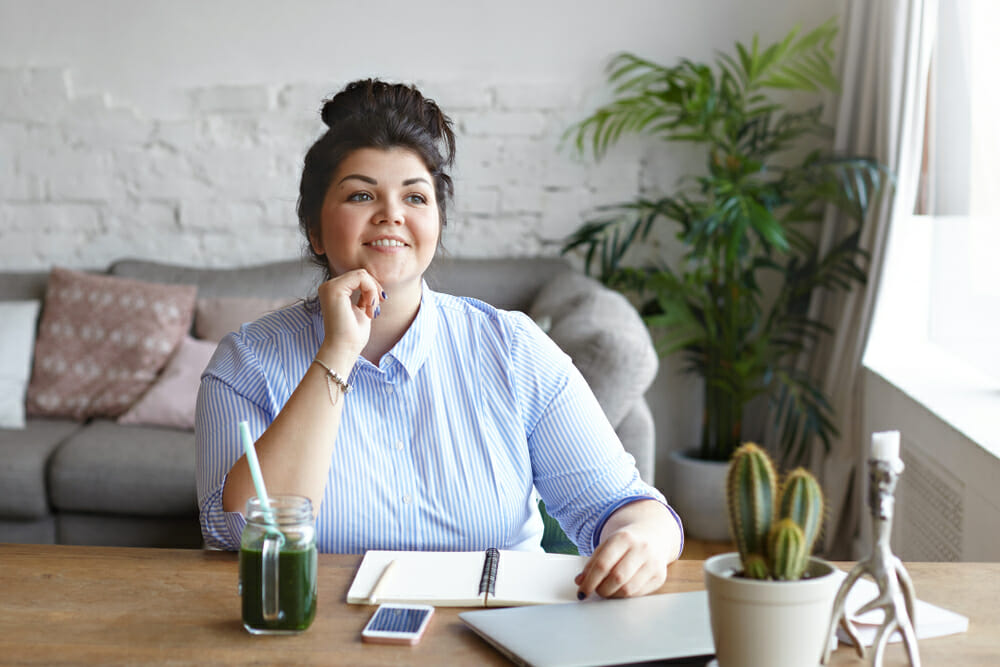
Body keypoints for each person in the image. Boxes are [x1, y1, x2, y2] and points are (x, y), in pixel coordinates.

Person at [195, 78, 683, 599]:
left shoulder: (514, 348)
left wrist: (644, 541)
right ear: (314, 230)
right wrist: (336, 355)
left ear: (437, 222)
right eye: (362, 195)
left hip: (499, 632)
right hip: (321, 637)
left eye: (415, 196)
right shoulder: (246, 362)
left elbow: (619, 504)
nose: (392, 214)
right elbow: (237, 532)